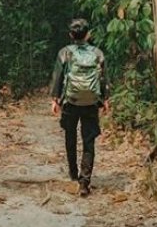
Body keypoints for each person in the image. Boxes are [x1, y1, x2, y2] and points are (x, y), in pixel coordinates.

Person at [50, 18, 109, 197]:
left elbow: (58, 76)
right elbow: (103, 78)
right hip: (91, 101)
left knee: (70, 135)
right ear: (88, 34)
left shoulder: (64, 53)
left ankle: (73, 174)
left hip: (71, 101)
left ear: (71, 35)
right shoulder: (98, 53)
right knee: (89, 140)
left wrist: (55, 100)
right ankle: (85, 182)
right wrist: (105, 99)